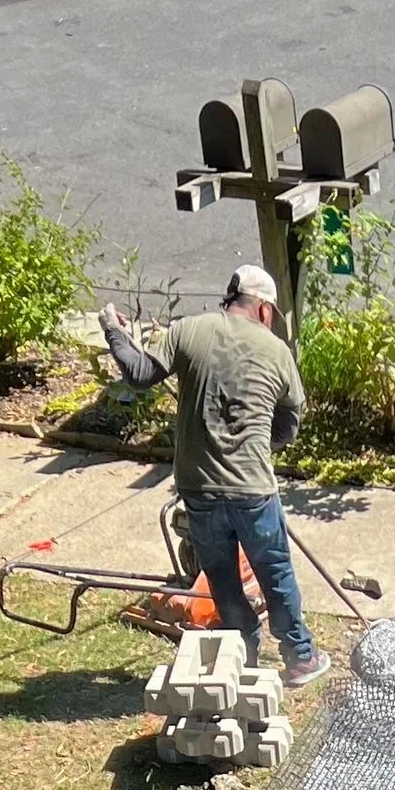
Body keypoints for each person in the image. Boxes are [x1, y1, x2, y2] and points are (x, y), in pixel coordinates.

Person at [98, 266, 330, 688]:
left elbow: (140, 373)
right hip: (253, 490)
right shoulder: (277, 350)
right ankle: (300, 659)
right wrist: (262, 447)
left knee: (222, 578)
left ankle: (242, 655)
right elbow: (289, 423)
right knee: (274, 572)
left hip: (198, 487)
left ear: (230, 298)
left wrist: (115, 331)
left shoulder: (190, 331)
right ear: (263, 308)